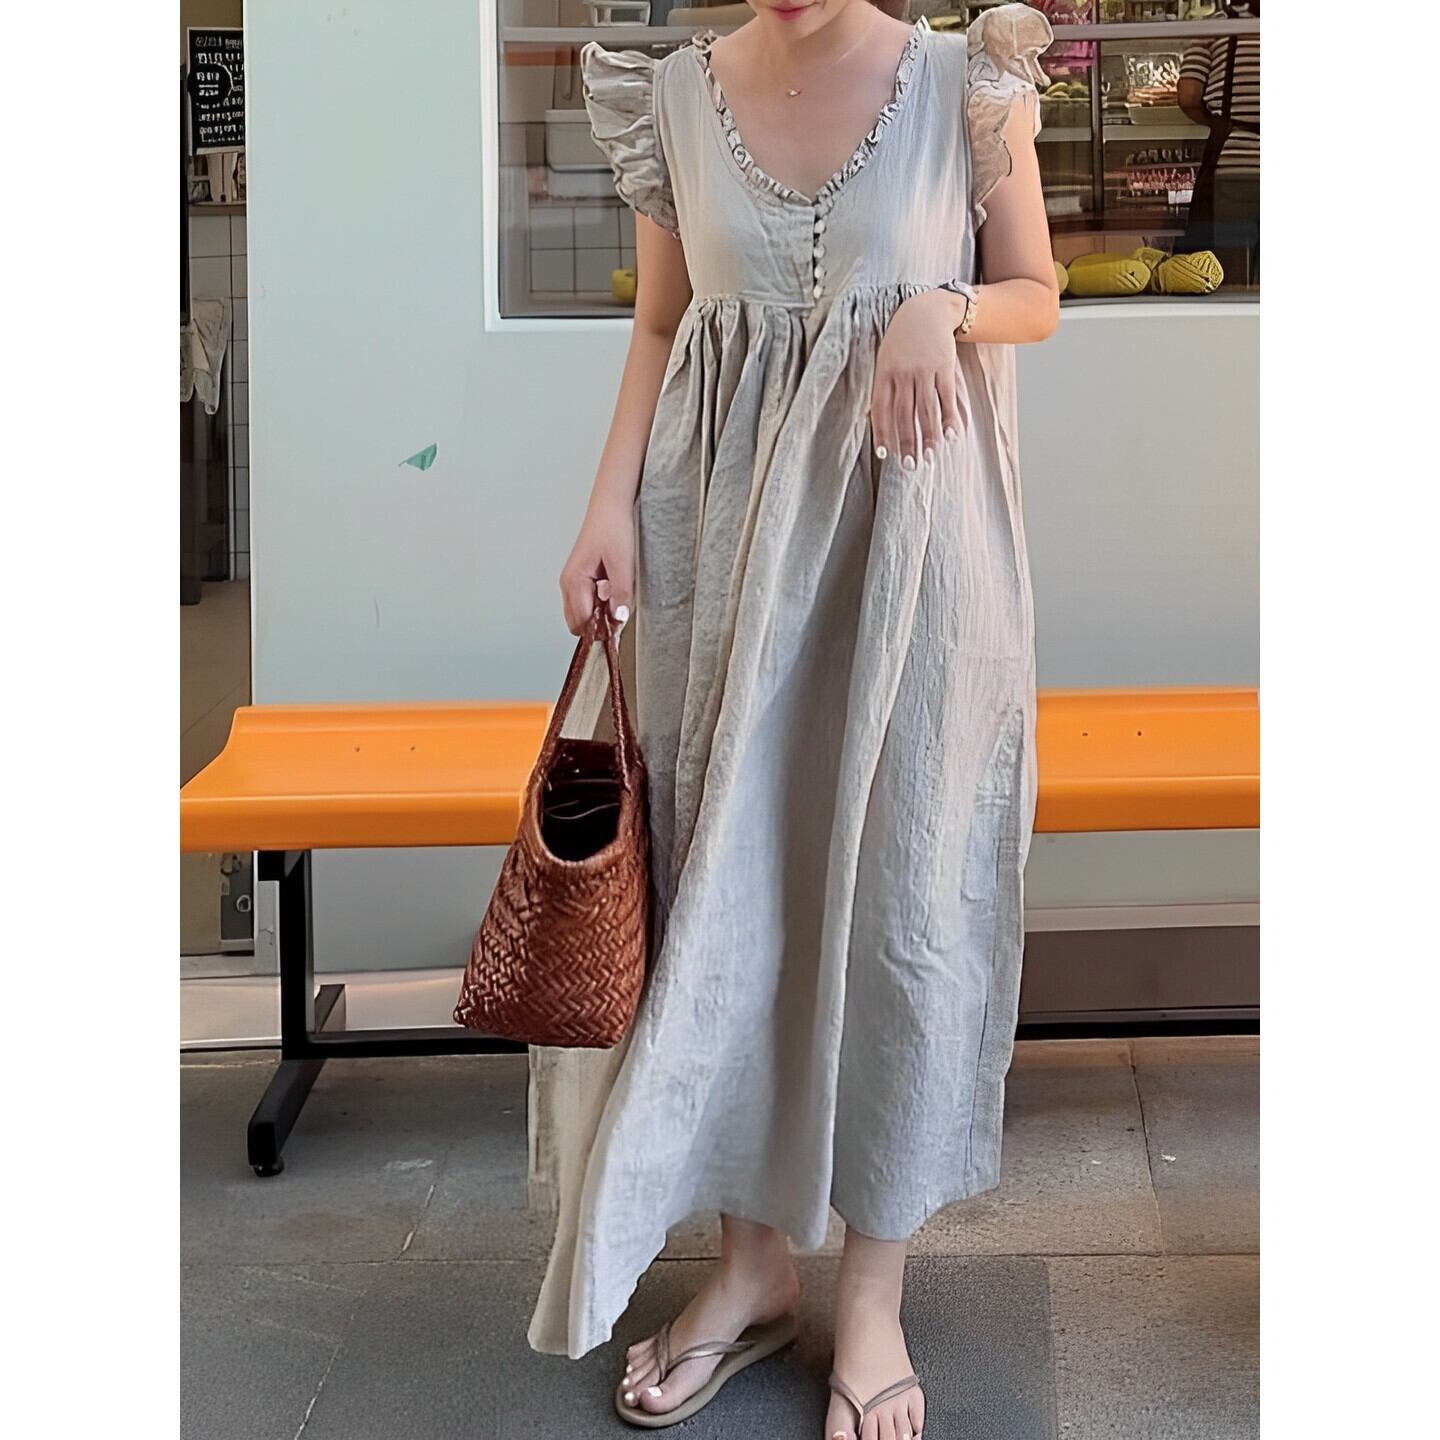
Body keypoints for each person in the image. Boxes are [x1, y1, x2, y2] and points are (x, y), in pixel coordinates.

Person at [539, 3, 1058, 1435]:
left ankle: (873, 1297)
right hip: (723, 550)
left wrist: (945, 308)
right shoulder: (675, 99)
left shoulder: (964, 82)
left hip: (917, 559)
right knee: (728, 891)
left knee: (904, 904)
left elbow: (1035, 290)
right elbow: (662, 320)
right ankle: (754, 1268)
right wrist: (605, 505)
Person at [1177, 1, 1260, 287]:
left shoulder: (1217, 26)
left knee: (1228, 271)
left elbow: (1188, 96)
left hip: (1235, 164)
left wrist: (1221, 122)